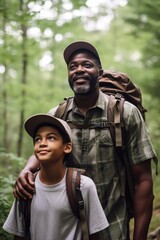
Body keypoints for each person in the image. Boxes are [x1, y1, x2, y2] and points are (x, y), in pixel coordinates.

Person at [13, 41, 158, 240]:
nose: (79, 70)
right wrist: (26, 170)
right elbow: (42, 150)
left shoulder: (125, 113)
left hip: (112, 228)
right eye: (73, 67)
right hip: (68, 230)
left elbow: (143, 180)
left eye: (87, 65)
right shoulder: (57, 115)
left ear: (99, 73)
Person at [3, 114, 109, 240]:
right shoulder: (26, 186)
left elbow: (95, 234)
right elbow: (18, 235)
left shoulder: (83, 186)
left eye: (51, 138)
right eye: (38, 139)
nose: (42, 143)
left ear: (67, 147)